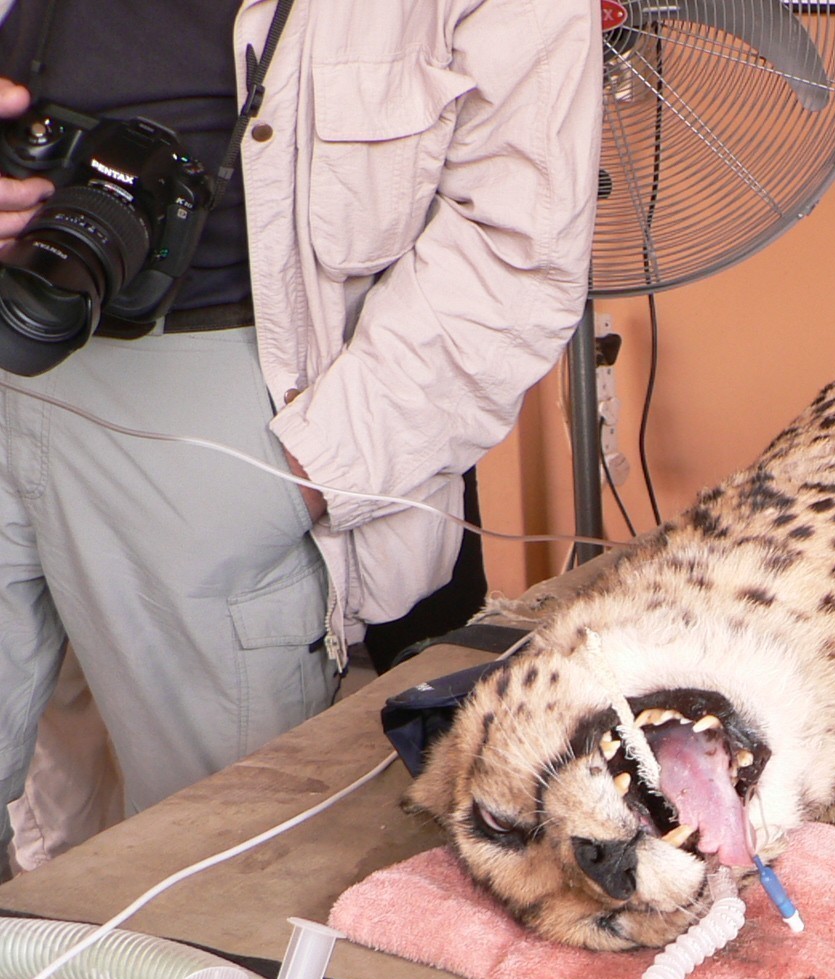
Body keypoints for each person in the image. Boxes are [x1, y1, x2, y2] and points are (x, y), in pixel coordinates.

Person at [0, 0, 600, 878]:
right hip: (25, 318)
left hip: (229, 418)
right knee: (61, 842)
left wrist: (309, 471)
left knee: (207, 873)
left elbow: (517, 251)